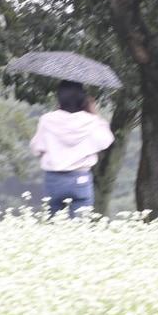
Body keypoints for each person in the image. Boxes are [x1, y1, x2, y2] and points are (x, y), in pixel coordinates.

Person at [30, 80, 114, 217]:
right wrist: (94, 113)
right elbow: (106, 140)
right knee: (80, 230)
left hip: (54, 179)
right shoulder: (91, 121)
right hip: (80, 179)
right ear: (83, 99)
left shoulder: (47, 120)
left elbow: (36, 148)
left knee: (52, 227)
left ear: (58, 97)